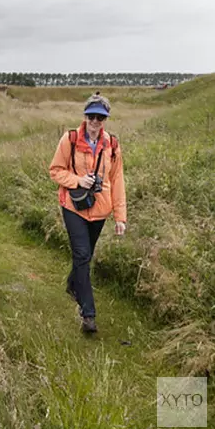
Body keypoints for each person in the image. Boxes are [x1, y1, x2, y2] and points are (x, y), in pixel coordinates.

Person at [49, 93, 127, 333]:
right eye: (91, 116)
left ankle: (73, 284)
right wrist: (78, 180)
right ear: (85, 116)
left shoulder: (112, 145)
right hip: (74, 207)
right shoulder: (70, 139)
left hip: (100, 210)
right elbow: (55, 171)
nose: (95, 121)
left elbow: (117, 180)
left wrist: (120, 216)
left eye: (100, 118)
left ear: (105, 120)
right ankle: (88, 314)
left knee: (85, 257)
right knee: (82, 255)